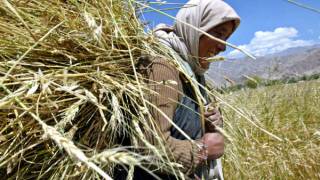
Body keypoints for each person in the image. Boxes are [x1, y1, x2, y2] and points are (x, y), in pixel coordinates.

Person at [114, 0, 240, 179]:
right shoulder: (161, 67)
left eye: (226, 39)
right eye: (219, 34)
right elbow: (150, 147)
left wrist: (211, 121)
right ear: (194, 27)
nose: (223, 47)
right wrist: (203, 150)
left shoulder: (191, 70)